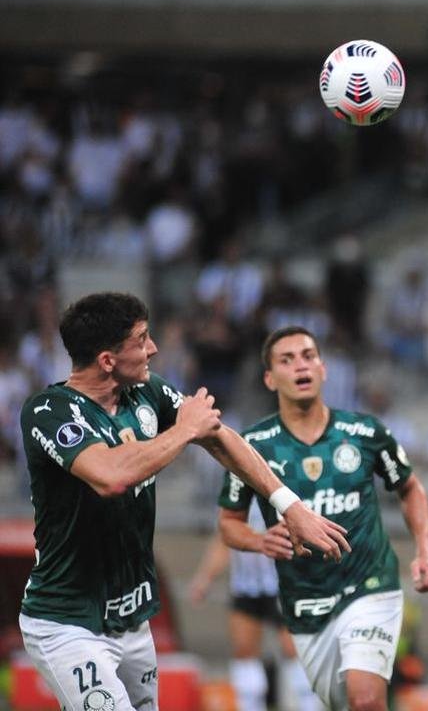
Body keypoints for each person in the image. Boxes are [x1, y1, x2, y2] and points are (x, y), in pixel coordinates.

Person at [18, 293, 349, 711]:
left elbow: (219, 435)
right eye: (141, 340)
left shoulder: (146, 392)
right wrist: (183, 430)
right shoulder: (49, 411)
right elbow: (110, 476)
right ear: (106, 360)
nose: (153, 348)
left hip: (132, 621)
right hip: (67, 623)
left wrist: (289, 505)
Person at [217, 325, 428, 711]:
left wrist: (425, 550)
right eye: (286, 360)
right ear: (270, 379)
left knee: (366, 697)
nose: (300, 366)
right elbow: (229, 522)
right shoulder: (252, 448)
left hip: (370, 584)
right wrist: (258, 541)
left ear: (322, 368)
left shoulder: (364, 432)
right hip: (306, 601)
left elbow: (410, 487)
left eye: (308, 356)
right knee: (341, 703)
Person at [188, 504, 320, 711]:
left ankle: (309, 706)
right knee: (244, 651)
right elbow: (223, 540)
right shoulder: (234, 493)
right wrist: (205, 578)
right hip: (245, 586)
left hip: (282, 585)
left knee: (294, 650)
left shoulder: (281, 488)